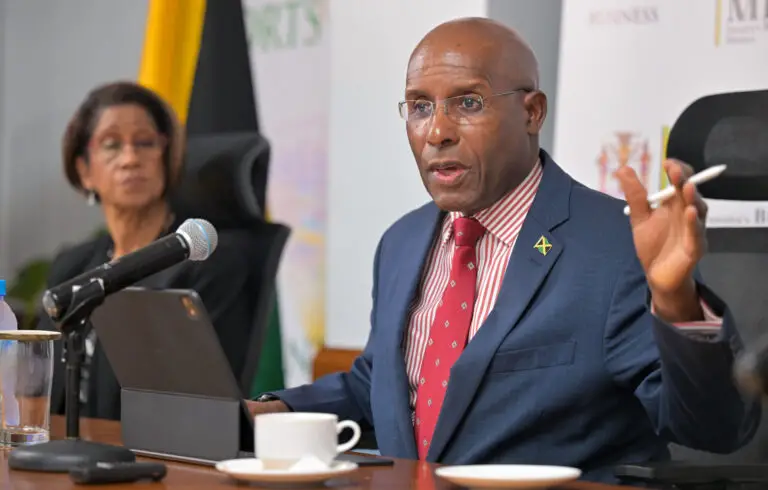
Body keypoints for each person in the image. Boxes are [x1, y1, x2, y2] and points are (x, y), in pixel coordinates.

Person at [247, 18, 760, 482]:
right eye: (420, 106)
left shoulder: (612, 244)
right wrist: (272, 412)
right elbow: (385, 381)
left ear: (532, 111)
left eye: (468, 102)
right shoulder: (401, 243)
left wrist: (675, 300)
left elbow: (717, 429)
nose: (437, 132)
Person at [40, 81, 253, 420]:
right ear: (84, 169)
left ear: (167, 158)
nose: (130, 159)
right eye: (111, 144)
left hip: (150, 457)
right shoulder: (72, 266)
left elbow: (199, 399)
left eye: (145, 143)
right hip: (65, 452)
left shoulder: (208, 263)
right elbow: (41, 384)